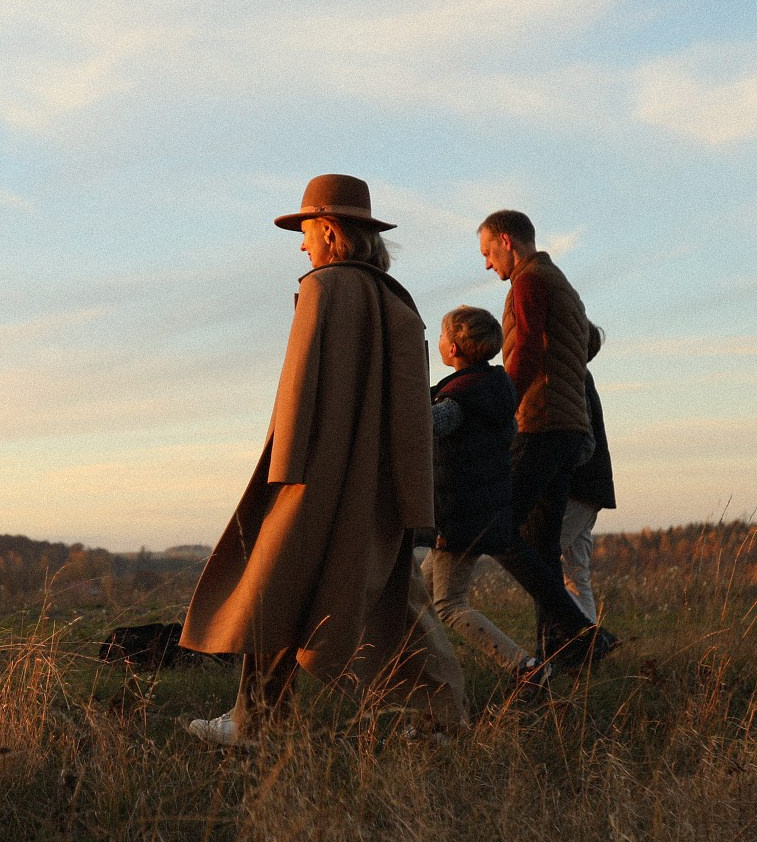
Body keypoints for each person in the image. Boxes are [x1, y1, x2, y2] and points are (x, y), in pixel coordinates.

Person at [183, 174, 467, 746]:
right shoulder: (397, 302)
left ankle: (255, 722)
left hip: (315, 478)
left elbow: (299, 385)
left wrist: (281, 474)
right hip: (377, 486)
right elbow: (414, 412)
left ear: (331, 231)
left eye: (307, 230)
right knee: (391, 600)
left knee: (274, 584)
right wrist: (411, 494)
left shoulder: (323, 288)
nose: (302, 243)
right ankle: (441, 719)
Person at [476, 209, 618, 667]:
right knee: (539, 545)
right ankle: (555, 654)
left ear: (506, 240)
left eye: (487, 252)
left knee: (494, 527)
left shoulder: (529, 281)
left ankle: (579, 633)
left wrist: (500, 404)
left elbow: (530, 347)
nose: (487, 264)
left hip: (540, 424)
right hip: (571, 432)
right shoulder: (564, 286)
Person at [421, 305, 554, 692]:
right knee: (419, 599)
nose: (440, 343)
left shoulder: (461, 398)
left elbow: (427, 425)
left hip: (459, 515)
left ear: (456, 348)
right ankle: (421, 676)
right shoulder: (494, 390)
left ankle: (527, 667)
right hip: (477, 512)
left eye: (444, 336)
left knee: (448, 605)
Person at [560, 325, 614, 622]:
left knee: (538, 561)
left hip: (576, 488)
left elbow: (582, 440)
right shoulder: (583, 378)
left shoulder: (572, 380)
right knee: (575, 573)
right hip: (590, 488)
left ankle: (574, 640)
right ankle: (589, 644)